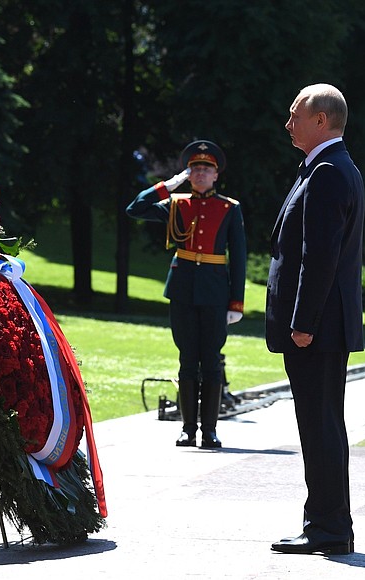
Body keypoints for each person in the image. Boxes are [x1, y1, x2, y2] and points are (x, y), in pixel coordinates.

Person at [265, 84, 365, 555]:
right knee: (322, 425)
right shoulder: (330, 167)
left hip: (317, 329)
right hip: (324, 326)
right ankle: (328, 525)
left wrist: (303, 321)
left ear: (321, 120)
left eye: (295, 115)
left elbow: (318, 256)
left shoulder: (327, 171)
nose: (288, 123)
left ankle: (327, 529)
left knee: (320, 426)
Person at [126, 140, 247, 449]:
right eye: (195, 169)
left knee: (211, 362)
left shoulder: (229, 209)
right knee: (186, 360)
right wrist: (168, 186)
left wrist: (236, 301)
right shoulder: (176, 203)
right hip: (182, 291)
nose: (201, 173)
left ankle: (209, 431)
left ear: (216, 174)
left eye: (206, 169)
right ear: (188, 173)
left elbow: (240, 257)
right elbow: (135, 208)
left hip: (215, 293)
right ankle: (187, 429)